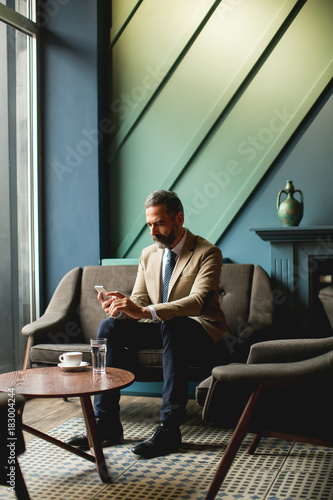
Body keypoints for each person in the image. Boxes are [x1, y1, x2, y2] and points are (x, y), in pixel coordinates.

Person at [67, 190, 228, 458]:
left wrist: (144, 310)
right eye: (149, 225)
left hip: (199, 328)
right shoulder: (149, 254)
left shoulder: (207, 252)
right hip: (160, 326)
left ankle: (169, 429)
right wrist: (121, 306)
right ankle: (105, 423)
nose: (153, 231)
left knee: (174, 325)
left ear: (178, 219)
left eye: (159, 223)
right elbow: (141, 298)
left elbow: (198, 301)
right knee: (108, 326)